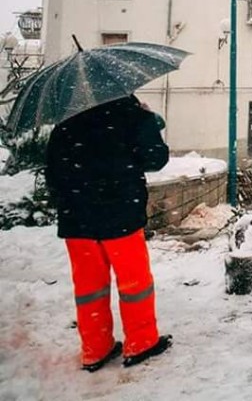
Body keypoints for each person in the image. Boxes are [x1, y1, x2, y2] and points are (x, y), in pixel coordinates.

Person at [44, 95, 173, 371]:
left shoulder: (66, 123)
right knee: (134, 283)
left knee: (89, 288)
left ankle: (95, 349)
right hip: (120, 217)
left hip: (77, 222)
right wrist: (148, 120)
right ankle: (141, 342)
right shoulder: (130, 113)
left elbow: (52, 176)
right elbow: (156, 157)